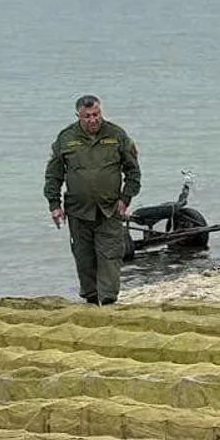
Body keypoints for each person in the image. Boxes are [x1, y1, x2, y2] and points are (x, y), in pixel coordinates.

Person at [45, 93, 141, 304]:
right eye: (87, 116)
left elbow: (133, 172)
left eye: (96, 114)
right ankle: (90, 301)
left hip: (110, 210)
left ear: (101, 111)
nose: (93, 120)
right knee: (84, 260)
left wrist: (125, 199)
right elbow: (54, 175)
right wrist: (54, 205)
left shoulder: (116, 135)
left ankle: (107, 302)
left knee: (109, 258)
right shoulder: (66, 138)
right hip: (79, 212)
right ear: (78, 116)